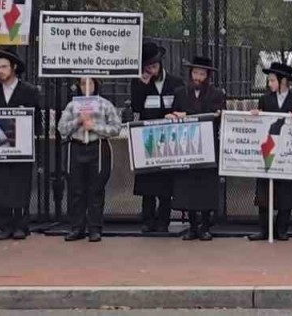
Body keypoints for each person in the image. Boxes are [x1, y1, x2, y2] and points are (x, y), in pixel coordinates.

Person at [0, 47, 40, 240]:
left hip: (21, 148)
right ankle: (3, 225)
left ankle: (21, 226)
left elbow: (38, 120)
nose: (0, 71)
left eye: (4, 67)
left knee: (20, 185)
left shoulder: (29, 91)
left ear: (14, 67)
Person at [56, 77, 122, 242]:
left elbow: (116, 128)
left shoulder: (105, 104)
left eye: (90, 83)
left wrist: (94, 127)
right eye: (83, 83)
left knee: (96, 189)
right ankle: (77, 227)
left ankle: (95, 228)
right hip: (76, 147)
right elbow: (61, 128)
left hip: (97, 146)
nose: (87, 87)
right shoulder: (72, 106)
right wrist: (78, 120)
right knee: (76, 190)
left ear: (96, 84)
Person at [169, 56, 226, 241]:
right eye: (195, 73)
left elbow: (213, 114)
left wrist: (188, 114)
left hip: (208, 146)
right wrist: (171, 116)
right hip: (187, 146)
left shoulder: (216, 94)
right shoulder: (180, 93)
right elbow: (175, 112)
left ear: (207, 75)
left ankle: (206, 227)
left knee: (206, 187)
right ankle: (192, 226)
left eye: (202, 74)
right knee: (188, 187)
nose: (198, 77)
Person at [130, 42, 184, 234]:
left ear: (160, 64)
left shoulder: (176, 82)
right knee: (148, 182)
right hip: (148, 138)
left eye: (154, 67)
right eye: (148, 68)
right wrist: (142, 86)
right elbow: (136, 106)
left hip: (169, 138)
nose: (152, 71)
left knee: (166, 183)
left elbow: (181, 106)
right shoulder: (140, 83)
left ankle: (163, 220)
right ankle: (147, 219)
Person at [249, 61, 292, 241]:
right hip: (269, 149)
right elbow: (261, 124)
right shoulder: (265, 99)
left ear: (283, 81)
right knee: (265, 190)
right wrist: (256, 115)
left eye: (272, 80)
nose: (269, 84)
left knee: (286, 191)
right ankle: (264, 229)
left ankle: (282, 228)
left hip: (288, 152)